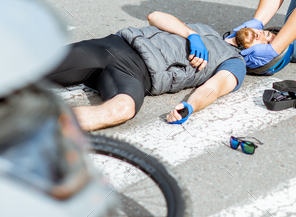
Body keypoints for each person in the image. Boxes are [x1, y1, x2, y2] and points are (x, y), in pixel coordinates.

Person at [45, 11, 248, 131]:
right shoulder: (207, 30)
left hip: (137, 74)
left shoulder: (236, 62)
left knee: (122, 110)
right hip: (115, 45)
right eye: (266, 32)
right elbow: (155, 17)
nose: (262, 34)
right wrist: (191, 34)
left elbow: (215, 87)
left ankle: (31, 125)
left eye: (268, 39)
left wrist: (191, 105)